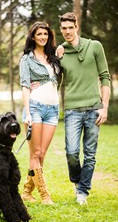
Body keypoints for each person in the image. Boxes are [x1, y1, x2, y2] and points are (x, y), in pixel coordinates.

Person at [56, 12, 110, 205]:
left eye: (71, 27)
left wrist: (104, 107)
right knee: (71, 152)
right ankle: (77, 182)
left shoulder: (94, 46)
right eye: (64, 28)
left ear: (77, 27)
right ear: (61, 29)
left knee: (89, 154)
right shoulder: (60, 53)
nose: (68, 31)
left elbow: (105, 77)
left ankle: (83, 192)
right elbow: (53, 79)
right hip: (72, 110)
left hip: (94, 108)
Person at [19, 22, 62, 204]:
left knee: (41, 154)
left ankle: (27, 192)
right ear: (33, 37)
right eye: (39, 34)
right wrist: (28, 112)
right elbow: (25, 86)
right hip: (34, 108)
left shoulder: (53, 57)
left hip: (53, 110)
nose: (43, 37)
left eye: (45, 34)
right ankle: (45, 195)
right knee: (35, 153)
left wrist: (59, 55)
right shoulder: (26, 59)